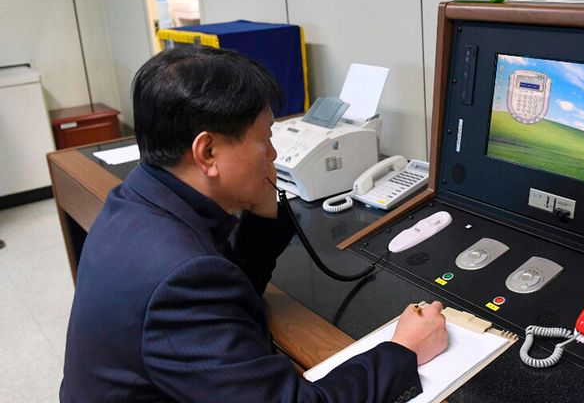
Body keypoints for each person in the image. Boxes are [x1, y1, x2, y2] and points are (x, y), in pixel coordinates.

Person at [60, 46, 448, 402]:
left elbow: (224, 292)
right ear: (207, 151)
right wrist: (405, 351)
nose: (275, 154)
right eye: (265, 138)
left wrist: (263, 210)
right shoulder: (181, 278)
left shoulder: (136, 201)